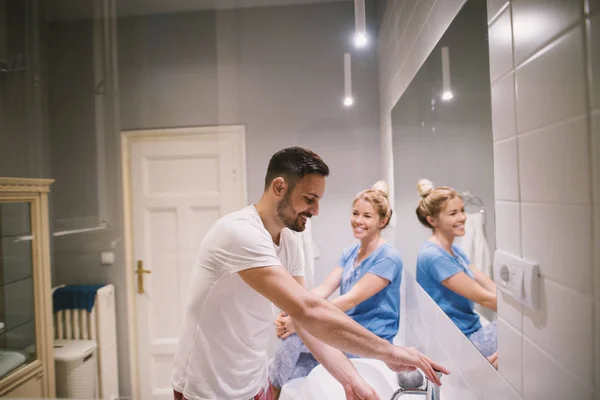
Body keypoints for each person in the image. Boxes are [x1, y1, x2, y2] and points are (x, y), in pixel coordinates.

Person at [171, 148, 449, 400]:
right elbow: (308, 310)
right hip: (207, 388)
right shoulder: (239, 233)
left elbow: (303, 321)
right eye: (309, 199)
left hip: (253, 381)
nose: (315, 210)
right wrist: (389, 352)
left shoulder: (289, 241)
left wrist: (351, 381)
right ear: (279, 187)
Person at [269, 181, 403, 398]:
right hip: (344, 332)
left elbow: (351, 299)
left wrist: (301, 318)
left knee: (294, 339)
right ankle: (276, 389)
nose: (358, 221)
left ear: (383, 221)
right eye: (355, 213)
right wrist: (292, 309)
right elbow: (323, 289)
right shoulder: (351, 253)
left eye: (367, 216)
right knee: (292, 365)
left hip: (368, 339)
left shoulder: (388, 257)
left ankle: (271, 394)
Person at [415, 179, 498, 359]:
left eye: (462, 210)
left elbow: (486, 283)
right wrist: (519, 317)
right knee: (521, 336)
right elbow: (482, 297)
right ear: (432, 220)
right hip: (459, 344)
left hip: (468, 332)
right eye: (453, 213)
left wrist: (511, 303)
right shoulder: (434, 256)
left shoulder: (454, 251)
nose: (462, 218)